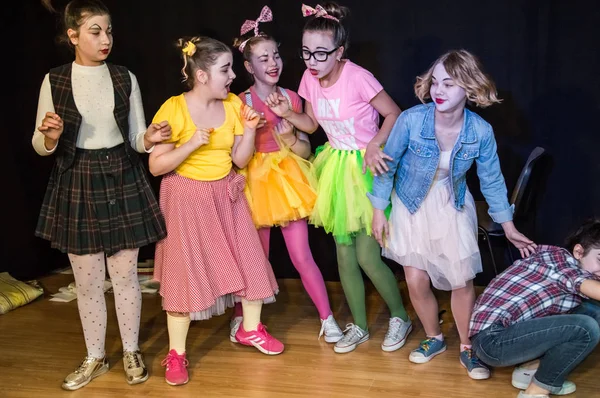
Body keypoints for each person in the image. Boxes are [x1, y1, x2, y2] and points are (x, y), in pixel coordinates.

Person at [369, 49, 537, 379]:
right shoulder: (411, 120)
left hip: (452, 202)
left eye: (450, 84)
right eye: (436, 82)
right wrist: (378, 211)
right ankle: (434, 338)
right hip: (409, 203)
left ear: (469, 89)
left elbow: (491, 180)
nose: (439, 91)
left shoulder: (480, 131)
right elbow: (385, 167)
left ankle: (467, 345)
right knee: (416, 279)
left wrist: (509, 225)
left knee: (461, 280)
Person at [33, 0, 168, 390]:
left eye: (108, 31)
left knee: (125, 275)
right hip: (77, 178)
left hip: (122, 175)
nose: (105, 39)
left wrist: (150, 138)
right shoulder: (54, 80)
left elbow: (136, 138)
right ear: (73, 35)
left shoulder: (125, 76)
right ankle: (95, 356)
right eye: (95, 31)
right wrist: (50, 136)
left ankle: (130, 350)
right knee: (88, 281)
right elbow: (40, 145)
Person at [266, 2, 411, 354]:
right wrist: (289, 113)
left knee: (367, 256)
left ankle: (400, 316)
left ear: (339, 51)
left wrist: (376, 144)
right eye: (306, 53)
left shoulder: (359, 77)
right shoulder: (308, 79)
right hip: (335, 166)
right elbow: (312, 125)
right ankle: (359, 325)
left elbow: (395, 113)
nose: (312, 62)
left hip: (366, 168)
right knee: (343, 255)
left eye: (320, 54)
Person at [149, 35, 283, 386]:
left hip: (226, 193)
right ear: (203, 75)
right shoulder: (174, 108)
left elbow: (239, 159)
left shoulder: (233, 108)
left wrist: (251, 131)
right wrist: (190, 144)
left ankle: (250, 330)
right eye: (225, 69)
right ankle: (176, 353)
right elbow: (156, 166)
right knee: (184, 272)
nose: (232, 76)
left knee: (251, 261)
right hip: (185, 198)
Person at [228, 5, 343, 344]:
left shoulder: (293, 96)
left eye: (275, 55)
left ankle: (328, 318)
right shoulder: (239, 102)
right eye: (263, 59)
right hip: (253, 182)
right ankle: (243, 318)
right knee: (254, 257)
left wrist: (287, 125)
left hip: (288, 180)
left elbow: (306, 150)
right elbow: (237, 158)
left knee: (301, 255)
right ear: (249, 67)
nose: (273, 63)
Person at [469, 218, 600, 398]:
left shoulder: (568, 264)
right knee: (585, 327)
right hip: (492, 340)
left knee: (593, 312)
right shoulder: (561, 261)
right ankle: (535, 392)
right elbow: (581, 283)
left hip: (511, 332)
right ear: (578, 251)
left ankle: (529, 372)